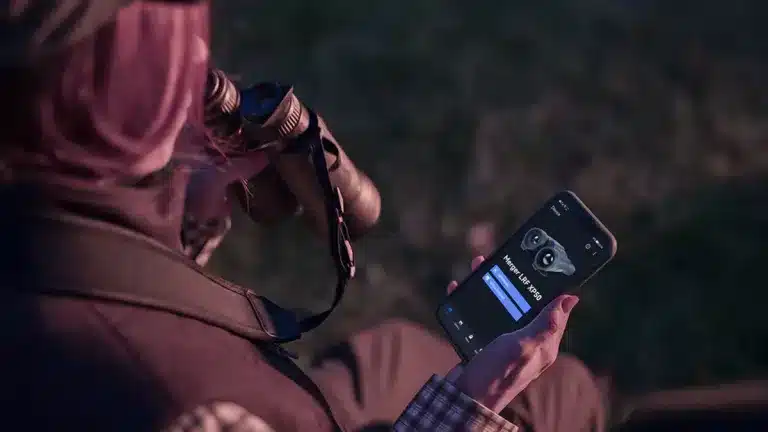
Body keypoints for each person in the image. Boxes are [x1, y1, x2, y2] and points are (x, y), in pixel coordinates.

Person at [0, 1, 601, 431]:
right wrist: (474, 401)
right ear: (107, 89)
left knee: (396, 353)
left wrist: (179, 219)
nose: (203, 57)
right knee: (561, 398)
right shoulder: (197, 408)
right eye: (176, 39)